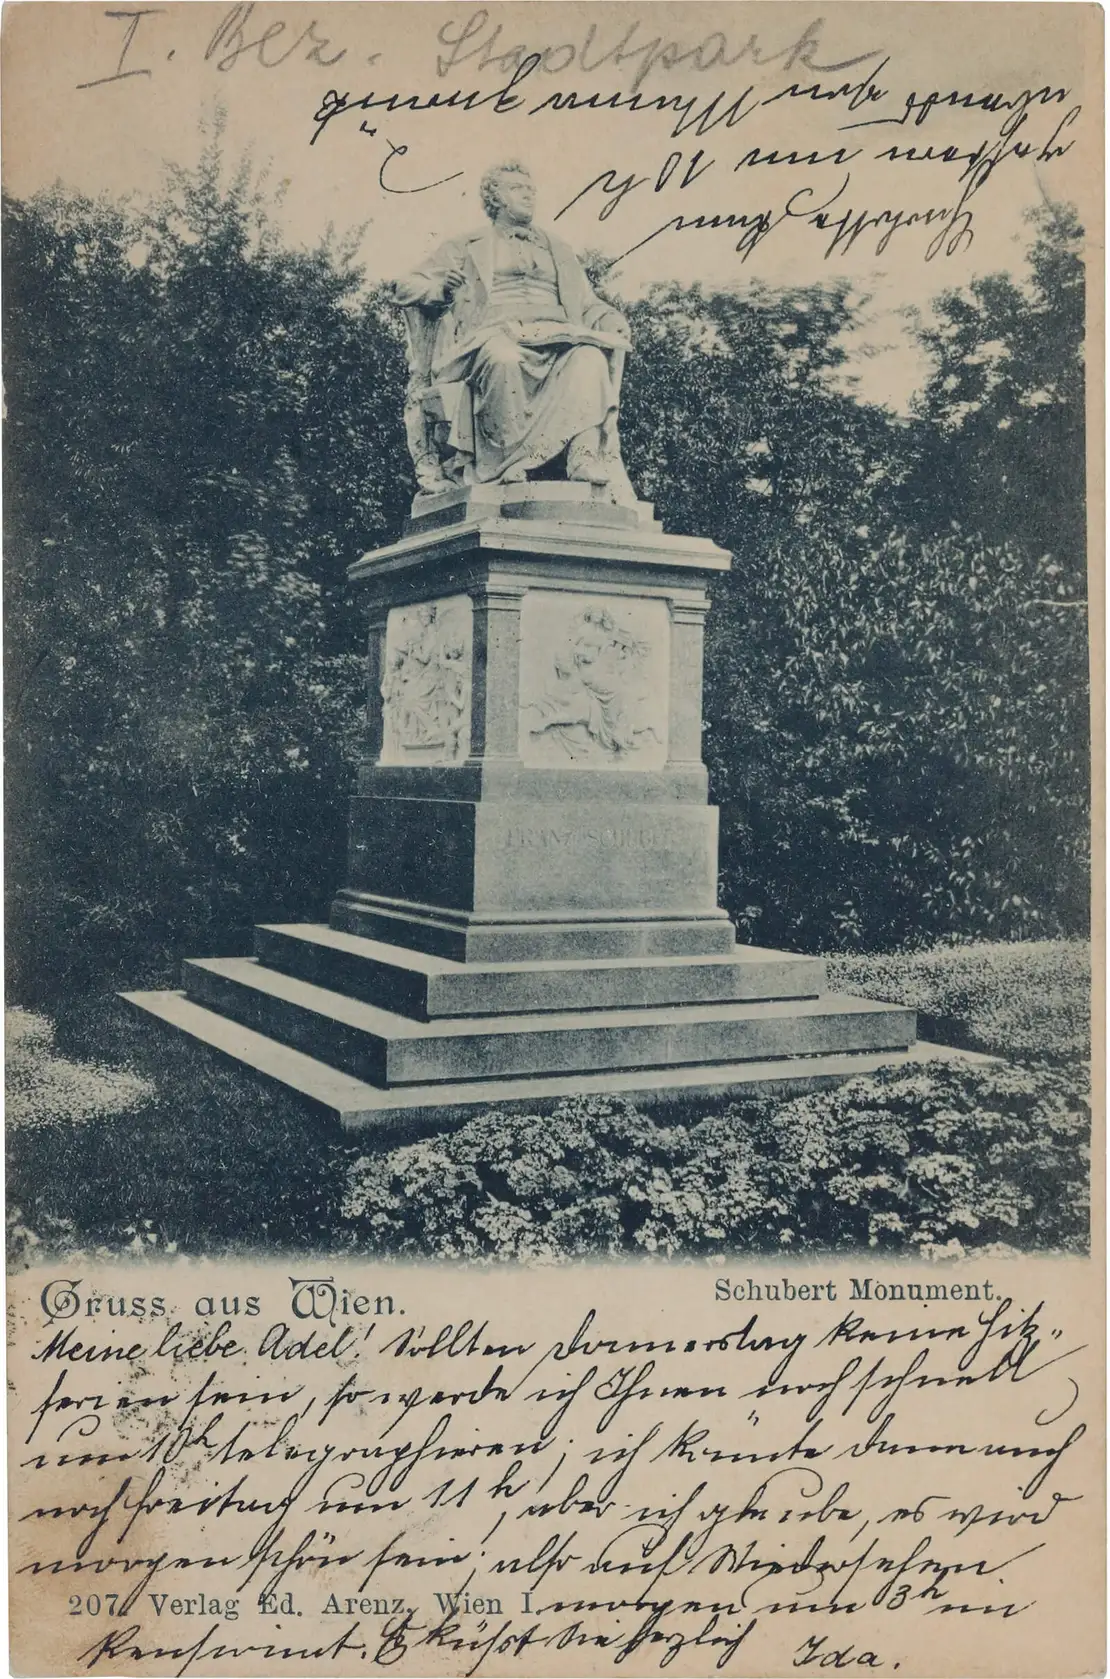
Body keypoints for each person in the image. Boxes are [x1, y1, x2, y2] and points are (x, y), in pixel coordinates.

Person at [393, 161, 637, 502]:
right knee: (502, 359)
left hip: (558, 335)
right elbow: (405, 287)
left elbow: (587, 303)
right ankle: (504, 467)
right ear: (495, 199)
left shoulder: (558, 249)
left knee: (590, 358)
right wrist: (439, 289)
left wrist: (610, 319)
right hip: (495, 334)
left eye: (531, 189)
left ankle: (583, 457)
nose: (528, 195)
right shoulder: (466, 245)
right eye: (517, 189)